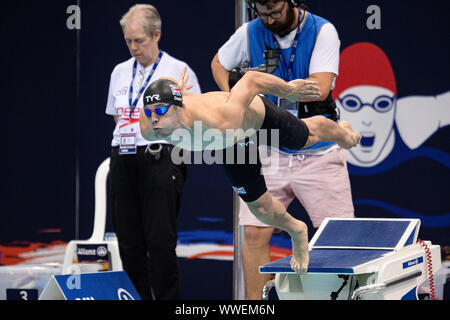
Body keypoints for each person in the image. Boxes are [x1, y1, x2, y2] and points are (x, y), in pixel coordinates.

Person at [139, 71, 362, 274]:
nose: (154, 118)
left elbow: (250, 81)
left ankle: (342, 132)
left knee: (305, 138)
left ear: (178, 108)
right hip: (227, 144)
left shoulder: (221, 118)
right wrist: (171, 88)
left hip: (255, 120)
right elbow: (156, 99)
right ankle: (297, 231)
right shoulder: (149, 129)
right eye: (149, 112)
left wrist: (288, 90)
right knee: (261, 209)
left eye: (160, 110)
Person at [211, 0, 355, 299]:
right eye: (263, 13)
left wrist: (259, 85)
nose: (270, 18)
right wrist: (238, 98)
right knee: (254, 232)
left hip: (319, 151)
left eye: (275, 11)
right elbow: (218, 64)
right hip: (270, 151)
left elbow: (319, 87)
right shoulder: (250, 31)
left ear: (292, 3)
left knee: (342, 239)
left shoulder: (322, 30)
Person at [105, 4, 201, 300]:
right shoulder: (119, 72)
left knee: (159, 242)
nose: (133, 47)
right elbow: (116, 117)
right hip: (123, 159)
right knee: (129, 244)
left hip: (162, 158)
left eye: (139, 41)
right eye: (128, 41)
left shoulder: (178, 71)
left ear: (156, 34)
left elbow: (194, 120)